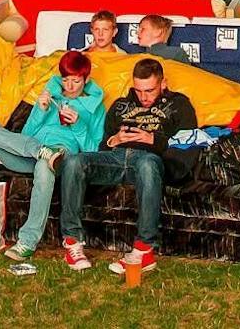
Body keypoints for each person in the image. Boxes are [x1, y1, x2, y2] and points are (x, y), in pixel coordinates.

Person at [56, 57, 197, 275]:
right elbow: (103, 145)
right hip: (116, 157)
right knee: (74, 161)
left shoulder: (179, 105)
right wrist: (115, 140)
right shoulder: (120, 105)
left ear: (163, 83)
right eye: (139, 91)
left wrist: (153, 140)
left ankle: (143, 250)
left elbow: (188, 143)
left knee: (148, 165)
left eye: (150, 90)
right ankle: (73, 243)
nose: (144, 97)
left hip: (147, 159)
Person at [0, 51, 109, 261]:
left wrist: (78, 125)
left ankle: (27, 241)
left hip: (61, 157)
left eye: (76, 81)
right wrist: (40, 111)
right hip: (30, 152)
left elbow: (92, 151)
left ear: (86, 80)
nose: (69, 86)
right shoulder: (48, 97)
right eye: (65, 80)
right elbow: (25, 137)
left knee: (45, 165)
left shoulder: (95, 108)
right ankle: (41, 152)